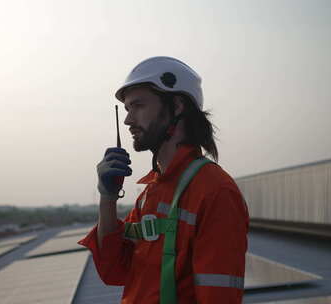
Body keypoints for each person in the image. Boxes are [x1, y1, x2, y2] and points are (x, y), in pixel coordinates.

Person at [78, 56, 249, 303]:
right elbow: (114, 269)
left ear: (177, 106)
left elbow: (218, 295)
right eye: (127, 109)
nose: (128, 120)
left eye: (138, 106)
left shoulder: (215, 190)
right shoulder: (152, 191)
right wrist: (107, 198)